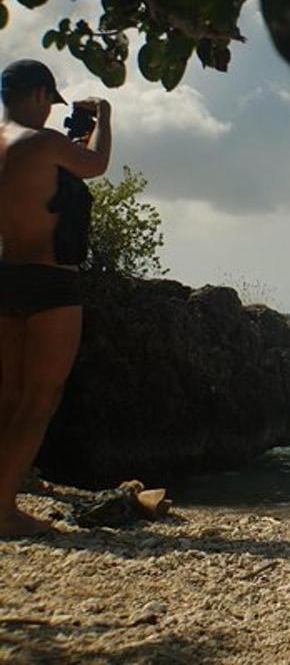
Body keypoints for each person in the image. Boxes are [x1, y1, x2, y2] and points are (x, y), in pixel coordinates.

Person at [0, 59, 112, 537]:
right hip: (51, 281)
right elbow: (95, 165)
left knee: (8, 399)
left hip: (6, 276)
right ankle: (3, 511)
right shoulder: (43, 142)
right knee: (41, 400)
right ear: (41, 94)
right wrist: (104, 119)